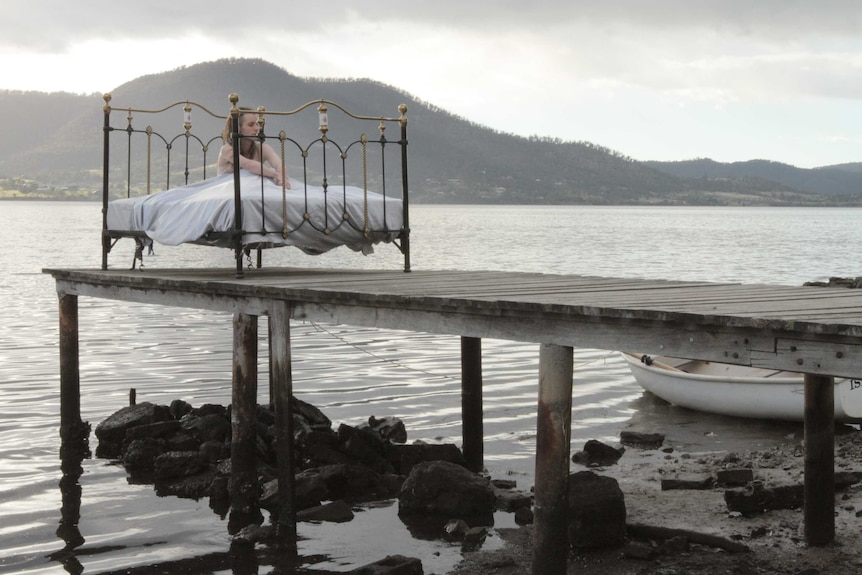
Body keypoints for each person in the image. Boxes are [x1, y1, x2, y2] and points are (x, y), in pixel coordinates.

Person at [216, 107, 289, 188]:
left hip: (254, 189)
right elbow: (249, 165)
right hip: (229, 190)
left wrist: (283, 180)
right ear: (238, 128)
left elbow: (279, 164)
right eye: (251, 125)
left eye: (257, 124)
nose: (256, 128)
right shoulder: (227, 150)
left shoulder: (262, 148)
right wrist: (275, 175)